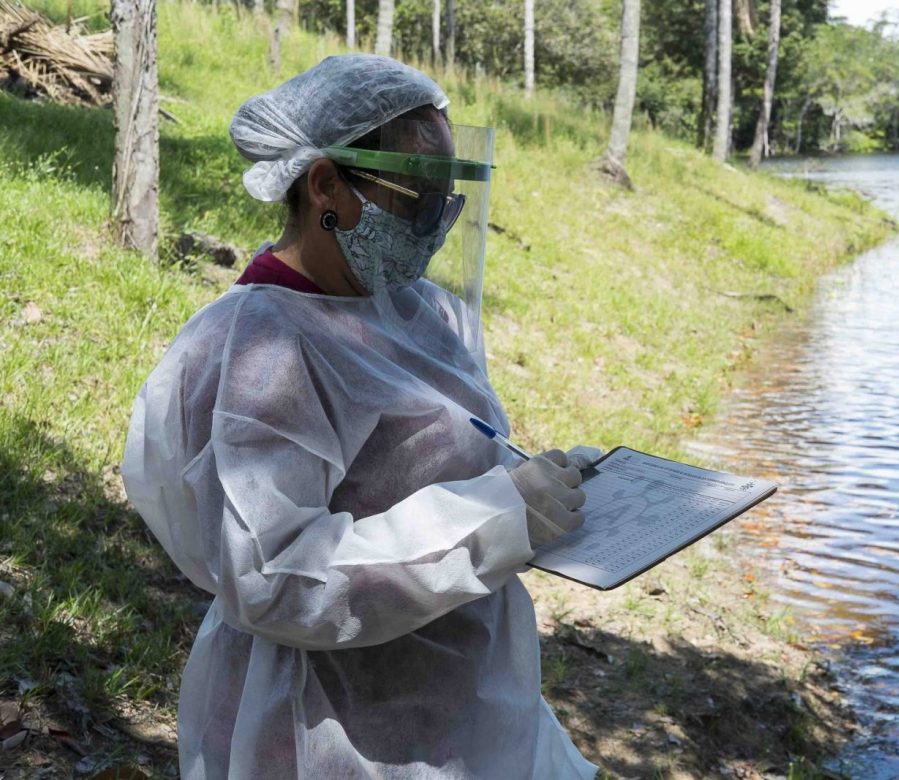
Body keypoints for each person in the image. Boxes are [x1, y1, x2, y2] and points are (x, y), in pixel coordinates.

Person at [121, 54, 601, 778]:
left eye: (447, 200)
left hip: (464, 706)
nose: (436, 225)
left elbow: (446, 459)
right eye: (416, 199)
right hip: (325, 727)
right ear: (325, 185)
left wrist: (530, 485)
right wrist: (499, 518)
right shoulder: (259, 347)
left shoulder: (417, 309)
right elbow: (275, 576)